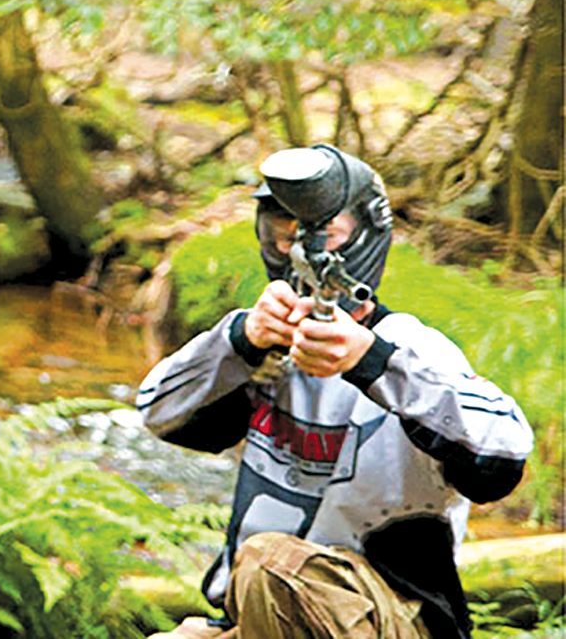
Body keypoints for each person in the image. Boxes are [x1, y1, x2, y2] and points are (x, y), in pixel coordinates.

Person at [138, 144, 534, 639]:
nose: (298, 250)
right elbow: (156, 411)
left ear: (363, 239)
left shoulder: (411, 349)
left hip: (392, 617)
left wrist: (370, 362)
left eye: (322, 234)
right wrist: (241, 339)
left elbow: (505, 451)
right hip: (258, 616)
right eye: (281, 235)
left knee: (268, 561)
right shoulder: (261, 349)